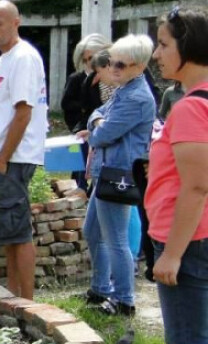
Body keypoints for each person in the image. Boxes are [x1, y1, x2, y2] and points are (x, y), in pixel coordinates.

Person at [142, 5, 208, 344]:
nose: (157, 53)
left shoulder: (190, 107)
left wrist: (173, 255)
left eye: (165, 44)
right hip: (198, 239)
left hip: (189, 243)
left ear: (190, 47)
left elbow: (198, 185)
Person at [0, 0, 47, 301]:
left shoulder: (24, 57)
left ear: (16, 23)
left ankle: (27, 304)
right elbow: (4, 110)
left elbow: (24, 112)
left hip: (12, 157)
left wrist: (3, 157)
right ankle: (14, 299)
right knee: (8, 234)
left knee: (17, 232)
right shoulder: (1, 62)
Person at [77, 34, 156, 316]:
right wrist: (98, 122)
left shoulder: (135, 96)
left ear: (139, 65)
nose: (113, 69)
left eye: (120, 65)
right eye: (111, 63)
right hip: (107, 170)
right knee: (93, 230)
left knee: (116, 239)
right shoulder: (125, 89)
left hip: (119, 173)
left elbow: (102, 134)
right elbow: (97, 115)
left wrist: (97, 125)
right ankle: (100, 289)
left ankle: (124, 300)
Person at [63, 33, 111, 190]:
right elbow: (71, 103)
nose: (89, 63)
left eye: (92, 58)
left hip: (106, 125)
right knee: (80, 151)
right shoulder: (79, 78)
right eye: (86, 60)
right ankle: (81, 186)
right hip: (86, 124)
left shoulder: (113, 76)